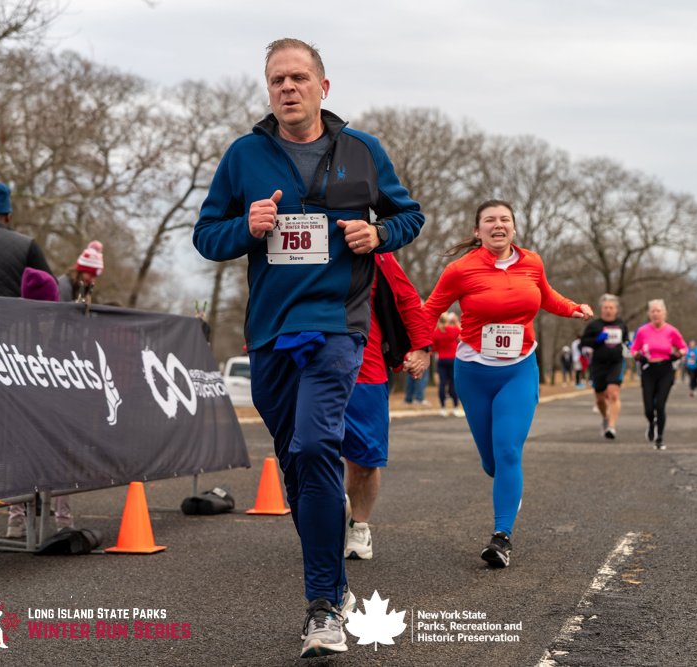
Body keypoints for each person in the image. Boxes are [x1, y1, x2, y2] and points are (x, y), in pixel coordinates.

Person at [191, 38, 423, 658]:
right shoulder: (244, 155)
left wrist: (378, 232)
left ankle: (322, 606)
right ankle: (334, 581)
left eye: (298, 77)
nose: (287, 88)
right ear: (269, 91)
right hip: (270, 331)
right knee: (297, 465)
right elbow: (206, 236)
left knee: (318, 444)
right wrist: (246, 228)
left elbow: (410, 216)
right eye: (277, 80)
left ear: (323, 87)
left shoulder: (362, 150)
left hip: (339, 325)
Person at [422, 200, 592, 568]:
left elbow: (547, 296)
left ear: (514, 228)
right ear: (477, 230)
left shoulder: (532, 262)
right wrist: (418, 347)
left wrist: (572, 307)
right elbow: (430, 310)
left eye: (504, 219)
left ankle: (501, 537)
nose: (498, 224)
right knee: (492, 462)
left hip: (519, 369)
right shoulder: (459, 270)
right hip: (473, 373)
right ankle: (508, 487)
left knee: (509, 452)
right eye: (489, 220)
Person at [343, 253, 431, 561]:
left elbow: (408, 300)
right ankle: (328, 513)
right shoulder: (295, 240)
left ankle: (359, 525)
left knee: (365, 461)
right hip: (305, 365)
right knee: (309, 453)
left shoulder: (376, 252)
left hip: (365, 371)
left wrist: (421, 346)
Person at [6, 268, 75, 538]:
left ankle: (15, 520)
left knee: (20, 460)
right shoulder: (62, 327)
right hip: (54, 404)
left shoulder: (11, 325)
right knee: (60, 461)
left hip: (19, 405)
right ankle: (64, 522)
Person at [631, 299, 687, 450]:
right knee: (648, 408)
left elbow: (683, 348)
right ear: (649, 314)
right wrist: (639, 356)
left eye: (658, 311)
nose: (655, 314)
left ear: (664, 314)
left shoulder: (671, 331)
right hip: (648, 370)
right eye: (652, 311)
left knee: (660, 405)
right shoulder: (643, 331)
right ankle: (651, 422)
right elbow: (634, 349)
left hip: (665, 370)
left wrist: (677, 355)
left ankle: (660, 438)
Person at [581, 294, 629, 438]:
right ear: (601, 309)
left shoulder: (621, 324)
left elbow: (626, 339)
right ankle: (605, 417)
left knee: (614, 394)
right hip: (598, 364)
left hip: (616, 362)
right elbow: (584, 342)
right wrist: (597, 340)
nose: (608, 310)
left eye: (611, 307)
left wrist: (630, 344)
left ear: (616, 309)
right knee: (600, 399)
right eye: (606, 307)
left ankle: (611, 427)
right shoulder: (594, 325)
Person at [432, 312, 462, 417]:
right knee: (453, 384)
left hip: (441, 360)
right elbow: (463, 332)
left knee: (442, 384)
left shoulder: (436, 332)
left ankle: (443, 408)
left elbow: (433, 348)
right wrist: (456, 321)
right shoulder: (453, 330)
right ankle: (456, 408)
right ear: (447, 320)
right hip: (453, 359)